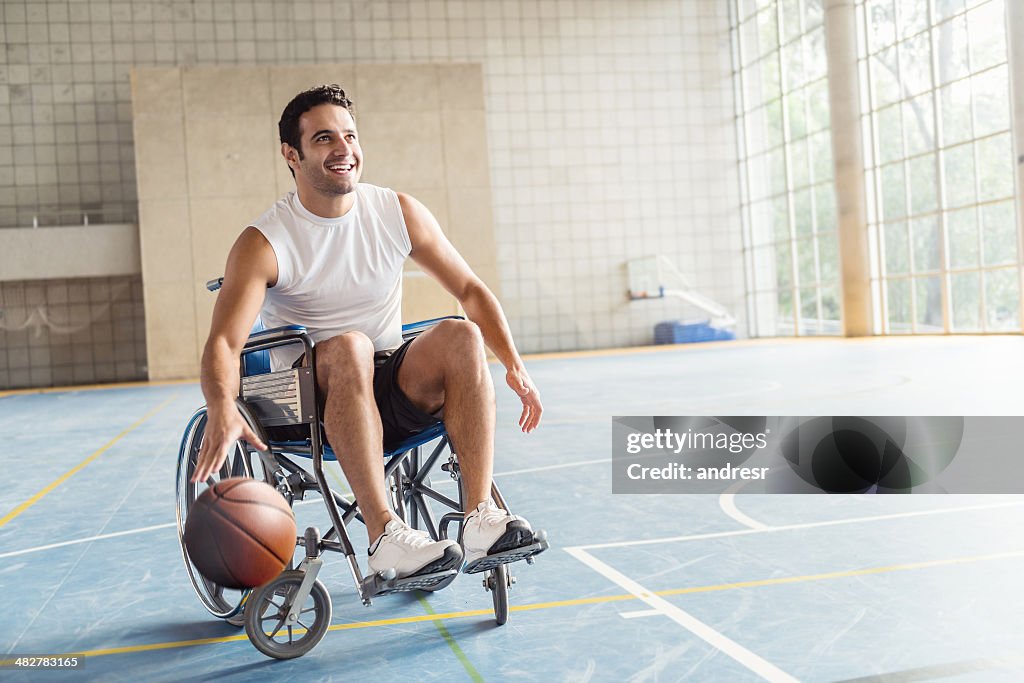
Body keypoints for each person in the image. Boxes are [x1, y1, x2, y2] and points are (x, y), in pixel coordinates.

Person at [191, 84, 544, 579]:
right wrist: (221, 405)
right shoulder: (265, 241)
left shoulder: (395, 212)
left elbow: (470, 288)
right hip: (306, 397)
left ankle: (479, 517)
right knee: (350, 346)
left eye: (350, 136)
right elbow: (225, 343)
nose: (343, 149)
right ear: (291, 156)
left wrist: (514, 365)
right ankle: (384, 535)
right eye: (323, 139)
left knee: (461, 334)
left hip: (387, 384)